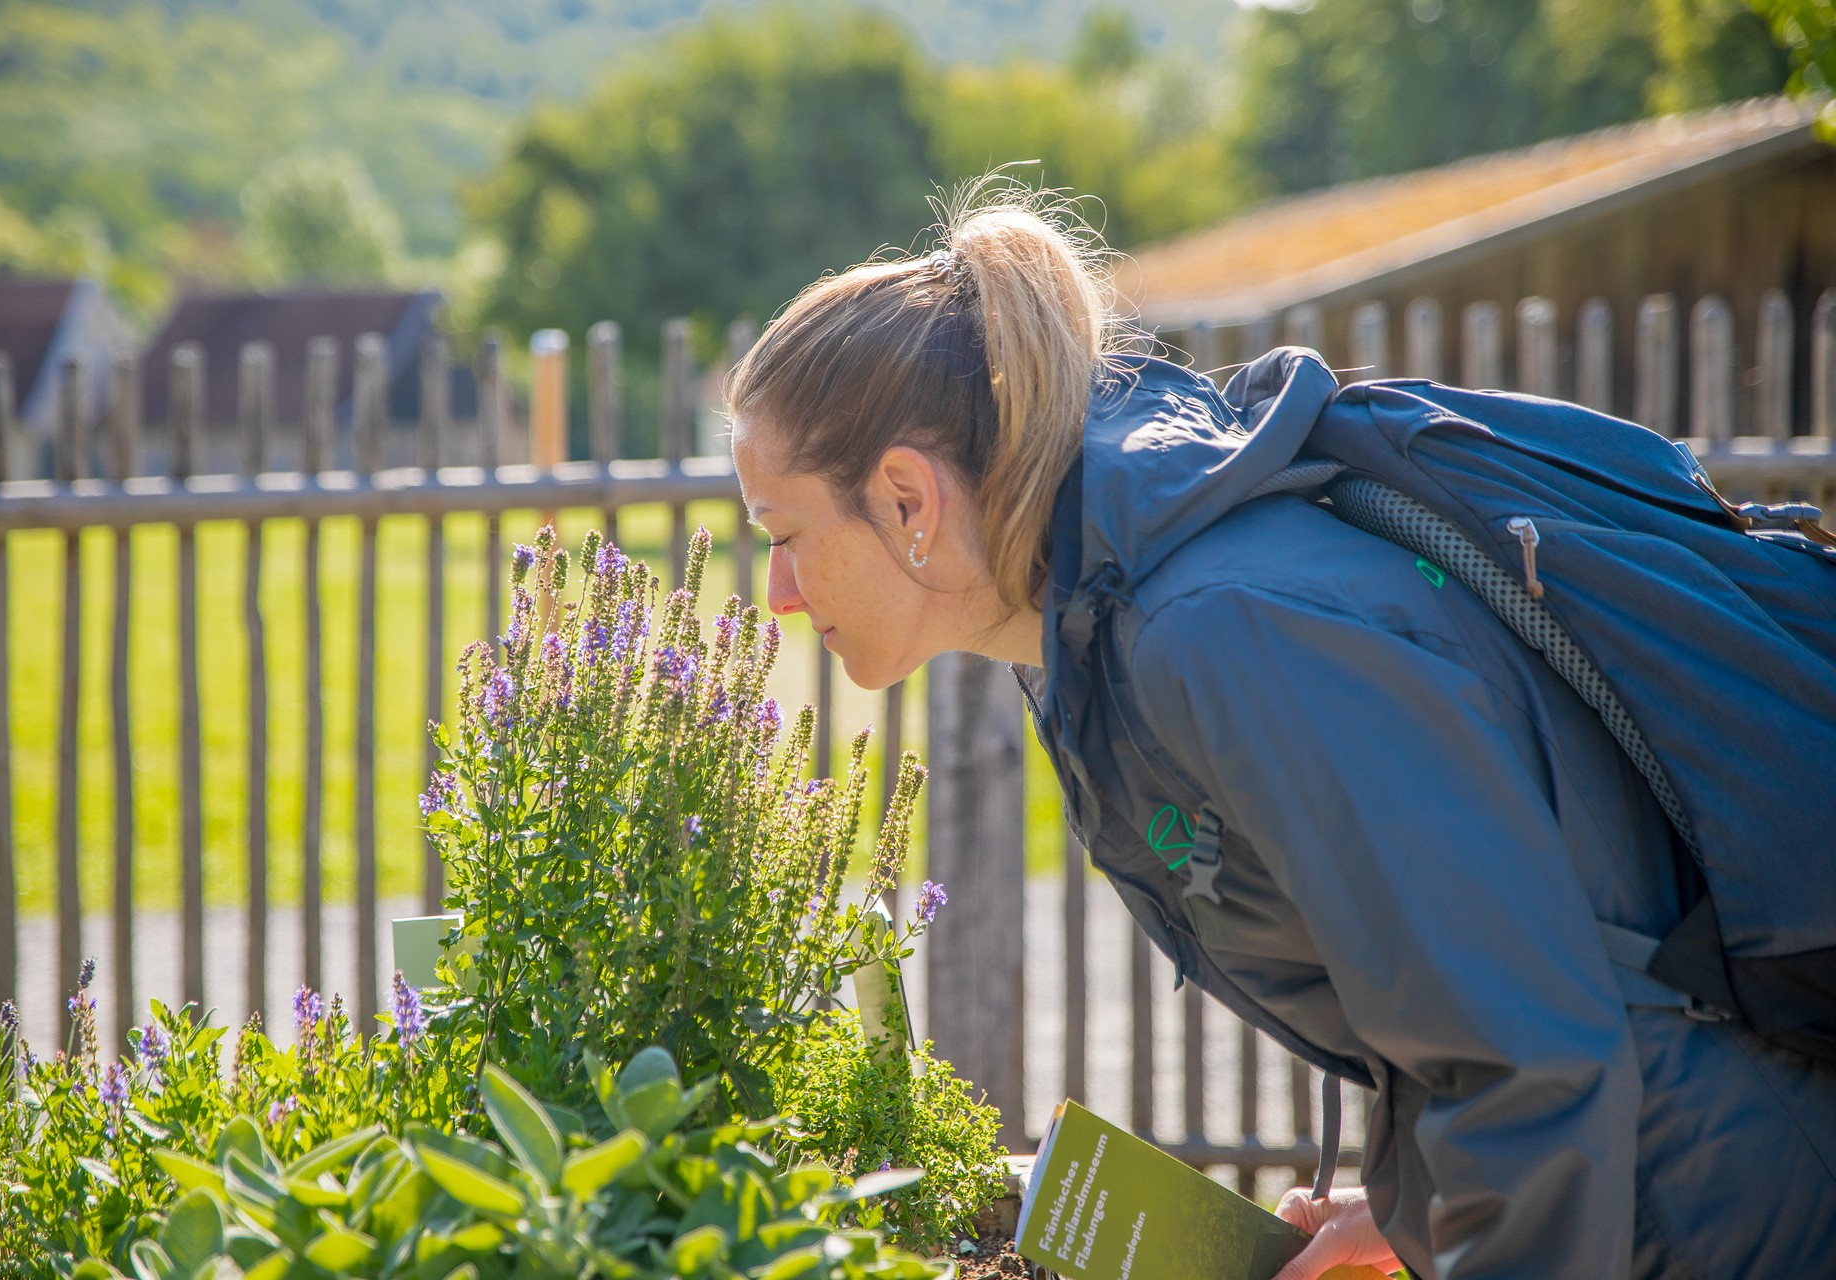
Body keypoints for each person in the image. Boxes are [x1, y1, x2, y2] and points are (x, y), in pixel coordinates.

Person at [724, 182, 1836, 1280]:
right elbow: (1468, 974)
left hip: (1719, 1207)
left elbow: (1527, 1057)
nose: (773, 592)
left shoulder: (1218, 629)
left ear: (909, 499)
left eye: (784, 532)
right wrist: (1414, 1211)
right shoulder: (1104, 623)